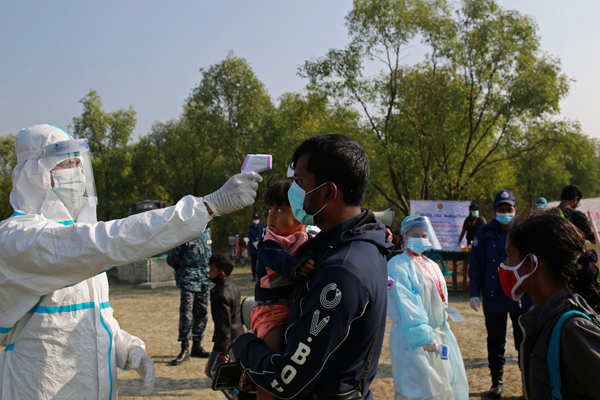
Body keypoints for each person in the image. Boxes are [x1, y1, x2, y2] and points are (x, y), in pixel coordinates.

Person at [0, 124, 261, 399]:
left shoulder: (77, 243)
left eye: (79, 164)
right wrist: (206, 206)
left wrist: (128, 349)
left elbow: (87, 316)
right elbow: (110, 239)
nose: (76, 173)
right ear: (35, 175)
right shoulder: (19, 239)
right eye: (66, 164)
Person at [232, 134, 391, 399]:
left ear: (329, 192)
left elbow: (286, 378)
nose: (293, 191)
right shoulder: (350, 245)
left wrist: (243, 346)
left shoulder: (341, 270)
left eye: (300, 183)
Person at [502, 212, 600, 398]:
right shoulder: (542, 318)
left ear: (531, 263)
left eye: (508, 256)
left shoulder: (572, 329)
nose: (504, 265)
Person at [387, 216, 468, 399]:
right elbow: (406, 306)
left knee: (443, 387)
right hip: (413, 341)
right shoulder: (397, 266)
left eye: (424, 235)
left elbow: (440, 300)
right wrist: (424, 338)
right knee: (419, 390)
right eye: (416, 235)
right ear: (405, 236)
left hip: (437, 336)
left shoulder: (431, 265)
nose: (421, 238)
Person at [252, 178, 314, 400]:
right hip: (272, 310)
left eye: (280, 209)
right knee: (274, 362)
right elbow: (277, 259)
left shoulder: (307, 237)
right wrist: (296, 267)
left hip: (294, 308)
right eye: (270, 210)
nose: (271, 216)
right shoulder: (271, 243)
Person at [468, 189, 532, 399]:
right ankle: (497, 383)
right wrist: (474, 292)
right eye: (501, 208)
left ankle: (526, 384)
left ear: (515, 209)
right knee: (495, 341)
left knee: (523, 341)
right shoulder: (484, 233)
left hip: (519, 296)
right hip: (494, 296)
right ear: (495, 210)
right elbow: (476, 264)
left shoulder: (523, 233)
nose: (505, 212)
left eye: (509, 208)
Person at [167, 230, 213, 366]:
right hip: (188, 277)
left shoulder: (206, 232)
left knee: (202, 312)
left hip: (204, 277)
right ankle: (185, 347)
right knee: (186, 314)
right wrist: (183, 269)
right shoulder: (183, 232)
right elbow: (172, 258)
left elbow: (209, 254)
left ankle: (197, 345)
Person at [205, 254, 243, 378]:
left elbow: (224, 325)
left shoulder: (219, 294)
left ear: (221, 272)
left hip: (226, 341)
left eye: (212, 269)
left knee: (213, 373)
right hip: (238, 336)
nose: (209, 272)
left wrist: (223, 350)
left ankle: (234, 396)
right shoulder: (234, 287)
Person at [248, 212, 266, 280]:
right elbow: (250, 237)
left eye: (257, 218)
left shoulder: (262, 227)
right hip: (253, 249)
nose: (256, 220)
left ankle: (261, 275)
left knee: (261, 262)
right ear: (252, 220)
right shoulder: (250, 227)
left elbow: (263, 236)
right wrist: (254, 243)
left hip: (260, 248)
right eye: (255, 218)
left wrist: (260, 243)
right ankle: (254, 276)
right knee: (253, 263)